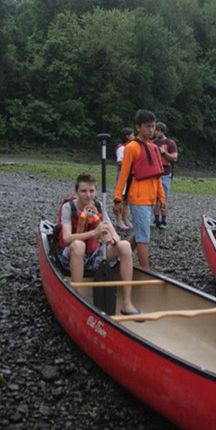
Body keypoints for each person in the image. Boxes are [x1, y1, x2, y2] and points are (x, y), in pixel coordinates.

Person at [59, 172, 138, 314]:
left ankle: (127, 303)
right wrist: (94, 233)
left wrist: (112, 240)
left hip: (95, 255)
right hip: (73, 256)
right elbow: (66, 238)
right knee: (79, 245)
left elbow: (116, 235)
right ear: (76, 191)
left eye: (91, 191)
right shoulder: (68, 208)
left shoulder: (98, 206)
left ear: (95, 191)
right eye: (83, 191)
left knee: (125, 245)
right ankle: (77, 296)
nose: (88, 195)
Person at [113, 110, 167, 270]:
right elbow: (123, 176)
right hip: (137, 199)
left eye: (153, 127)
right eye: (147, 127)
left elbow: (157, 176)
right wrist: (118, 200)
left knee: (139, 234)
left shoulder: (154, 148)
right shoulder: (132, 148)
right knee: (143, 237)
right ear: (138, 127)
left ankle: (113, 257)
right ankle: (146, 271)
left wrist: (162, 198)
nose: (151, 130)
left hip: (151, 199)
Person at [153, 122, 178, 229]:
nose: (155, 132)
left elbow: (174, 158)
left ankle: (163, 221)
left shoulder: (170, 143)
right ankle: (156, 220)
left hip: (165, 173)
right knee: (155, 199)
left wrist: (164, 153)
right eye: (155, 130)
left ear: (162, 131)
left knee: (163, 198)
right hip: (154, 173)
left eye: (157, 130)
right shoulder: (153, 143)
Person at [114, 128, 134, 230]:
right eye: (132, 134)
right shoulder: (122, 148)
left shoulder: (130, 147)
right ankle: (118, 220)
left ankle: (125, 218)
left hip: (129, 175)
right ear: (127, 136)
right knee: (120, 198)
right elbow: (120, 162)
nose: (134, 136)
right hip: (123, 174)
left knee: (127, 199)